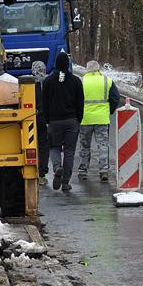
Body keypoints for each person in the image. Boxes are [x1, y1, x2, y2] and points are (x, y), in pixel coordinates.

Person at [42, 52, 84, 191]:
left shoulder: (48, 82)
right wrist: (78, 119)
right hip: (71, 121)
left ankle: (56, 167)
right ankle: (65, 182)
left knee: (54, 147)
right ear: (67, 64)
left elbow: (44, 103)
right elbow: (80, 103)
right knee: (69, 151)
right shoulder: (76, 81)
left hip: (54, 122)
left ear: (55, 64)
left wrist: (47, 119)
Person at [77, 60, 120, 182]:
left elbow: (76, 99)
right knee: (103, 145)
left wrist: (78, 114)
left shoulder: (81, 81)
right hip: (102, 118)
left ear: (87, 69)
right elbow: (115, 97)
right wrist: (109, 111)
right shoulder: (107, 80)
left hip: (85, 119)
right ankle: (103, 171)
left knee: (85, 145)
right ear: (98, 69)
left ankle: (83, 171)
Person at [31, 61, 50, 185]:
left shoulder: (29, 84)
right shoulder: (48, 83)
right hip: (45, 119)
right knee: (44, 146)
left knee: (31, 146)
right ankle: (42, 174)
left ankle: (32, 171)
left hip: (31, 119)